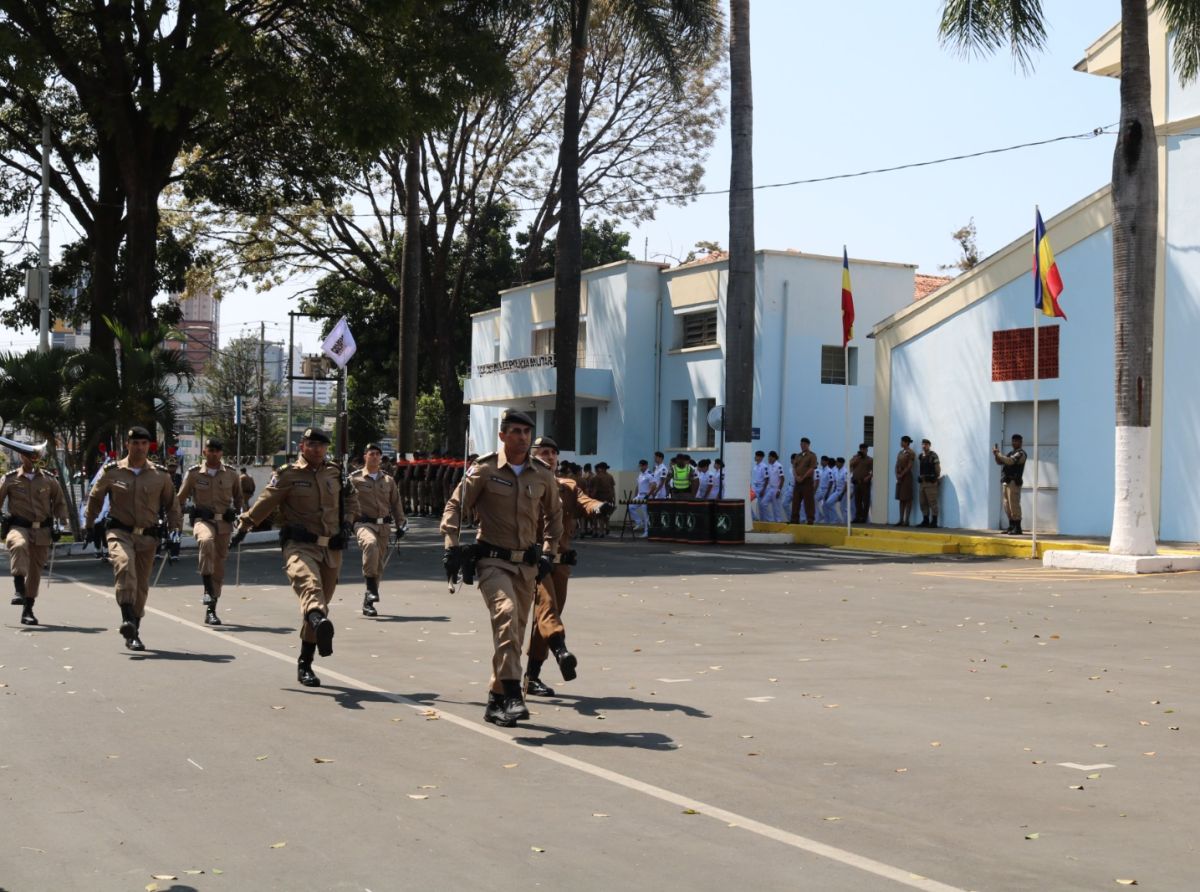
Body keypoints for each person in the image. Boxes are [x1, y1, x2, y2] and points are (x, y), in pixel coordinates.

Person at [441, 409, 563, 727]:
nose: (522, 437)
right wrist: (450, 546)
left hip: (527, 567)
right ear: (502, 435)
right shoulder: (483, 469)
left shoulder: (542, 474)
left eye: (526, 431)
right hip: (491, 561)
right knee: (506, 615)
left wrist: (550, 551)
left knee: (512, 634)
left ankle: (495, 702)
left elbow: (554, 516)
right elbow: (456, 504)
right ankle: (512, 694)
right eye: (516, 431)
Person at [231, 428, 359, 687]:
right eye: (311, 444)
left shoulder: (336, 473)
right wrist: (243, 527)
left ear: (326, 448)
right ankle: (317, 628)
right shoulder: (288, 474)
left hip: (331, 550)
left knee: (319, 607)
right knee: (309, 588)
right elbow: (265, 502)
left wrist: (347, 524)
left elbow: (352, 501)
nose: (316, 449)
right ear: (302, 446)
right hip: (299, 546)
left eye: (321, 445)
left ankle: (305, 663)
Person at [524, 435, 612, 697]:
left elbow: (586, 502)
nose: (549, 457)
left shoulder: (567, 486)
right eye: (543, 452)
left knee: (546, 617)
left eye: (552, 452)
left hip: (561, 563)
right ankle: (561, 651)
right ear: (532, 456)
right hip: (533, 561)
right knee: (547, 607)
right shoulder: (525, 485)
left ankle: (532, 676)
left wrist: (600, 508)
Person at [85, 426, 182, 650]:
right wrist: (89, 525)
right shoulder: (112, 472)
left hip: (148, 536)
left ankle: (134, 630)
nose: (139, 447)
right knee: (124, 565)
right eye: (135, 443)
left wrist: (175, 531)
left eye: (143, 444)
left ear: (149, 446)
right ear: (127, 445)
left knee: (140, 586)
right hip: (120, 531)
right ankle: (126, 619)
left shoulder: (160, 475)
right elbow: (95, 498)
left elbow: (172, 506)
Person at [177, 438, 243, 625]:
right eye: (210, 450)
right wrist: (187, 512)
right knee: (206, 542)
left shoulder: (231, 474)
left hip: (224, 525)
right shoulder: (194, 474)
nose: (214, 453)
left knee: (219, 569)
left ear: (221, 453)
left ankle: (211, 609)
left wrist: (237, 513)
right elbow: (179, 500)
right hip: (202, 521)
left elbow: (239, 498)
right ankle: (207, 590)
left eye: (217, 450)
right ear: (204, 452)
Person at [1, 446, 69, 625]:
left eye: (35, 455)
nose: (32, 459)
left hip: (42, 531)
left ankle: (28, 609)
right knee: (18, 545)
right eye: (28, 455)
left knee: (35, 572)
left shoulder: (49, 479)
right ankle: (18, 589)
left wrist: (62, 524)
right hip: (18, 526)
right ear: (20, 456)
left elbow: (60, 502)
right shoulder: (10, 479)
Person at [349, 442, 407, 617]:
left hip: (383, 526)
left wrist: (401, 524)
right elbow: (346, 503)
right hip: (363, 523)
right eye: (371, 453)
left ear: (380, 458)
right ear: (365, 456)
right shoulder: (354, 479)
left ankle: (369, 601)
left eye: (377, 454)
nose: (374, 456)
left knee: (378, 566)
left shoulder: (388, 480)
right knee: (370, 544)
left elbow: (396, 504)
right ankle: (371, 588)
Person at [993, 434, 1027, 535]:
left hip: (1014, 482)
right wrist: (996, 455)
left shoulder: (1021, 453)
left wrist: (999, 454)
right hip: (1006, 481)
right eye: (1013, 441)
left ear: (1021, 442)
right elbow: (1000, 462)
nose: (1014, 443)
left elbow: (1010, 461)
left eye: (1016, 441)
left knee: (1014, 504)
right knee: (1006, 505)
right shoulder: (1011, 452)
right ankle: (1011, 526)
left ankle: (1017, 527)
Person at [791, 439, 817, 524]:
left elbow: (812, 468)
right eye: (801, 444)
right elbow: (794, 467)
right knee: (795, 501)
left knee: (808, 501)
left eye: (804, 444)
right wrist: (796, 477)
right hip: (797, 481)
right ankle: (795, 519)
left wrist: (803, 477)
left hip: (807, 481)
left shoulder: (812, 455)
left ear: (808, 445)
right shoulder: (798, 456)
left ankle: (810, 519)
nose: (802, 446)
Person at [917, 439, 942, 528]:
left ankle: (934, 521)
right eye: (923, 444)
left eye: (926, 444)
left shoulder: (933, 455)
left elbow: (937, 468)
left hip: (931, 482)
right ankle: (925, 520)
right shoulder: (921, 456)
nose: (924, 446)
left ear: (929, 445)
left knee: (932, 502)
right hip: (922, 483)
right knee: (922, 502)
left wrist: (935, 477)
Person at [849, 443, 873, 523]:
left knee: (866, 501)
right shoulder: (855, 457)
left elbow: (873, 471)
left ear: (867, 450)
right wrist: (857, 458)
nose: (862, 451)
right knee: (857, 501)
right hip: (856, 482)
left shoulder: (870, 460)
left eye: (864, 449)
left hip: (865, 483)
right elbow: (850, 464)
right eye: (861, 449)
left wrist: (868, 477)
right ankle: (857, 517)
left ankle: (864, 518)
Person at [894, 436, 916, 526]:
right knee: (901, 498)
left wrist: (902, 474)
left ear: (907, 443)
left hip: (906, 477)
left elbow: (909, 466)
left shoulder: (911, 453)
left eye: (902, 441)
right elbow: (896, 464)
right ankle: (900, 519)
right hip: (900, 477)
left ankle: (907, 520)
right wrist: (897, 474)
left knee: (907, 498)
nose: (901, 443)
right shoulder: (900, 452)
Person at [590, 461, 616, 536]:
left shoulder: (597, 477)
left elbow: (595, 489)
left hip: (599, 498)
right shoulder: (610, 476)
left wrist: (591, 498)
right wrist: (614, 498)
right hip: (608, 498)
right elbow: (612, 489)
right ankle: (607, 528)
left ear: (600, 469)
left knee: (597, 515)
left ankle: (597, 531)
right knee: (606, 515)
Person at [630, 458, 654, 536]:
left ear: (646, 466)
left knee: (645, 514)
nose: (640, 468)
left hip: (646, 495)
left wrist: (648, 495)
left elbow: (652, 486)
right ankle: (639, 522)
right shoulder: (640, 474)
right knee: (630, 507)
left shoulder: (650, 474)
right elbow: (638, 486)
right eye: (640, 466)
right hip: (639, 495)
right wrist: (635, 496)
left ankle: (646, 532)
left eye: (642, 466)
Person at [824, 457, 847, 524]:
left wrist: (842, 495)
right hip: (837, 491)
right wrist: (833, 492)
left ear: (841, 463)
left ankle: (845, 523)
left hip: (843, 491)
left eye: (837, 462)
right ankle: (836, 519)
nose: (836, 463)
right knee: (828, 503)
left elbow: (846, 484)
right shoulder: (836, 470)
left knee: (843, 508)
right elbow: (835, 483)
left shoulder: (845, 471)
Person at [763, 450, 785, 521]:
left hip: (776, 489)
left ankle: (778, 522)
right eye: (768, 457)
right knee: (763, 503)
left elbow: (782, 479)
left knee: (776, 508)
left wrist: (779, 490)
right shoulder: (769, 466)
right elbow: (768, 479)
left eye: (770, 457)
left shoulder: (779, 466)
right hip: (770, 489)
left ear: (774, 458)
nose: (769, 459)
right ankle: (770, 520)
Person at [813, 456, 832, 523]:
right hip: (821, 490)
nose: (821, 462)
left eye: (823, 461)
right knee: (814, 500)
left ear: (827, 462)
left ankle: (828, 520)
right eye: (821, 460)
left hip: (826, 490)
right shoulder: (821, 470)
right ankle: (819, 516)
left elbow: (831, 481)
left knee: (825, 505)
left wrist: (828, 492)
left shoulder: (829, 471)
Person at [750, 450, 768, 519]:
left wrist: (763, 490)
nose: (755, 457)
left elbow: (767, 479)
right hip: (754, 488)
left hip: (761, 488)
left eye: (756, 456)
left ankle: (763, 521)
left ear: (760, 457)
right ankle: (754, 518)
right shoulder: (755, 466)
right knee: (747, 501)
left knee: (761, 506)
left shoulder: (764, 467)